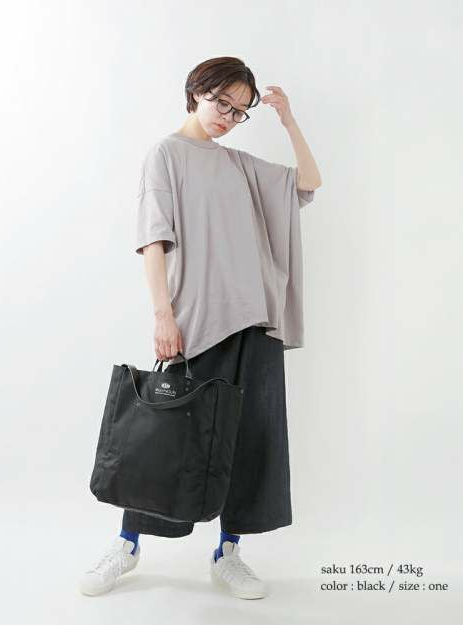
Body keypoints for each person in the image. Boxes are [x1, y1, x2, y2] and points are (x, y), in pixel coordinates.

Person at [80, 56, 322, 600]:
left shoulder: (239, 163)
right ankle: (127, 545)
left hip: (254, 321)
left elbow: (308, 182)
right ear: (196, 92)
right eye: (221, 103)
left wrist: (287, 120)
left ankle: (228, 553)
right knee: (165, 438)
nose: (227, 117)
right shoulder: (165, 154)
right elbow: (153, 239)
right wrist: (163, 315)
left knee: (248, 440)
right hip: (197, 322)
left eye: (239, 112)